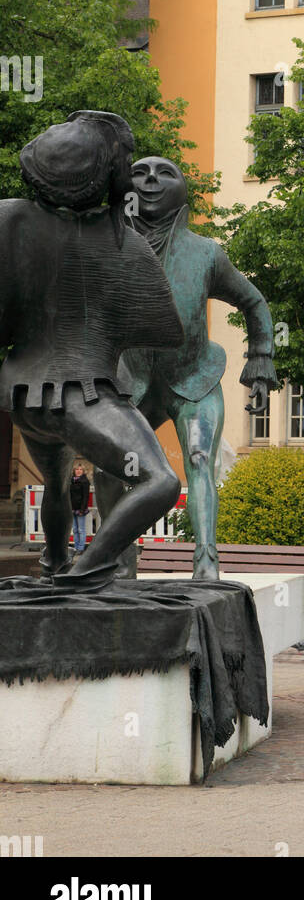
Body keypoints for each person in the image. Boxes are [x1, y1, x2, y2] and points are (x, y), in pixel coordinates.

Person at [0, 111, 184, 590]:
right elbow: (161, 328)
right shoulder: (121, 240)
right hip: (80, 392)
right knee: (161, 482)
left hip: (21, 395)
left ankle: (54, 564)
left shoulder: (9, 219)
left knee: (56, 483)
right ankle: (84, 575)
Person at [94, 156, 277, 579]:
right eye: (141, 173)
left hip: (193, 379)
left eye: (165, 173)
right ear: (128, 186)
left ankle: (206, 561)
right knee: (109, 469)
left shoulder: (206, 253)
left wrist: (261, 359)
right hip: (130, 382)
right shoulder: (109, 249)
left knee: (199, 461)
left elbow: (252, 301)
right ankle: (119, 560)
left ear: (183, 188)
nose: (152, 180)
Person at [69, 465, 91, 555]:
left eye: (80, 469)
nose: (78, 471)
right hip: (72, 508)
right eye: (77, 469)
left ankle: (81, 548)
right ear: (74, 471)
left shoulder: (85, 481)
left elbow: (86, 497)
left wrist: (82, 509)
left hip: (81, 508)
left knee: (81, 529)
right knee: (74, 529)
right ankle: (76, 547)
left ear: (83, 471)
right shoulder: (71, 481)